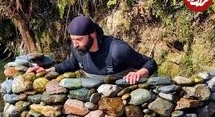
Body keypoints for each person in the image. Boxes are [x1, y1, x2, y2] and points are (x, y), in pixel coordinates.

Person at [27, 15, 157, 85]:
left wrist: (138, 74)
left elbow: (151, 63)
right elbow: (72, 64)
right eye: (73, 39)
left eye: (79, 39)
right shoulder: (78, 48)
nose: (75, 44)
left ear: (92, 34)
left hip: (120, 96)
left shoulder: (117, 50)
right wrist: (46, 71)